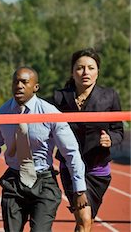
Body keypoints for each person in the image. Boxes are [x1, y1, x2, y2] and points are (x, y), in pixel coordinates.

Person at [0, 66, 87, 232]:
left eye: (24, 82)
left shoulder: (50, 113)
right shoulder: (1, 114)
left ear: (36, 87)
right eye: (15, 82)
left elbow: (71, 152)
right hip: (14, 181)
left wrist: (79, 188)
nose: (19, 85)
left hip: (44, 181)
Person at [53, 48, 123, 232]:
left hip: (98, 169)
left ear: (97, 71)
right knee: (84, 220)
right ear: (72, 72)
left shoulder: (110, 96)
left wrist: (110, 139)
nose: (85, 72)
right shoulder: (59, 97)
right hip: (71, 168)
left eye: (91, 68)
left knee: (86, 221)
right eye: (80, 68)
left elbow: (118, 130)